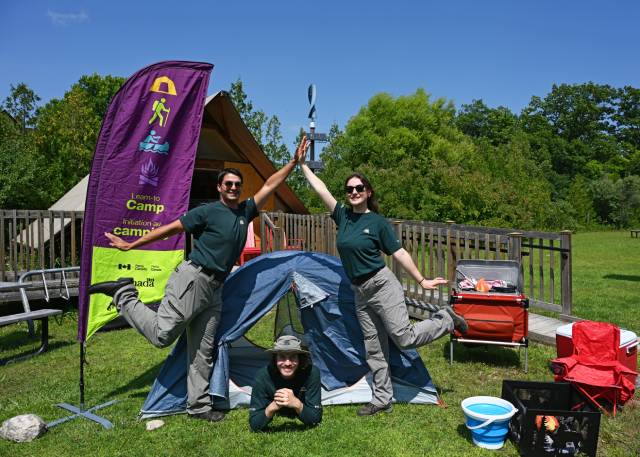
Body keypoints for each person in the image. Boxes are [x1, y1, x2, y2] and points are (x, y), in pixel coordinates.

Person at [88, 137, 310, 423]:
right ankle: (124, 294)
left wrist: (293, 162)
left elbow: (270, 185)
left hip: (216, 289)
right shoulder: (208, 211)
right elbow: (171, 228)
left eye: (236, 185)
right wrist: (132, 244)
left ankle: (198, 406)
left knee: (202, 350)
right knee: (161, 335)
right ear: (220, 188)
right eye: (227, 184)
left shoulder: (245, 211)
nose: (232, 188)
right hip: (194, 280)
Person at [298, 157, 468, 417]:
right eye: (349, 189)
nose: (353, 192)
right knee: (374, 348)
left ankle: (446, 319)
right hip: (360, 292)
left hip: (381, 285)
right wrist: (303, 166)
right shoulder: (342, 216)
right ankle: (382, 399)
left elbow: (399, 253)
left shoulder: (377, 223)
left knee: (404, 337)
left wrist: (422, 280)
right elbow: (322, 190)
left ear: (368, 192)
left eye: (358, 188)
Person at [249, 335, 322, 432]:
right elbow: (255, 424)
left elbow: (315, 420)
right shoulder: (262, 376)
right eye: (282, 357)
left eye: (293, 357)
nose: (287, 363)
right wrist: (273, 406)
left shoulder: (312, 373)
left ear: (300, 359)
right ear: (275, 359)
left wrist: (297, 404)